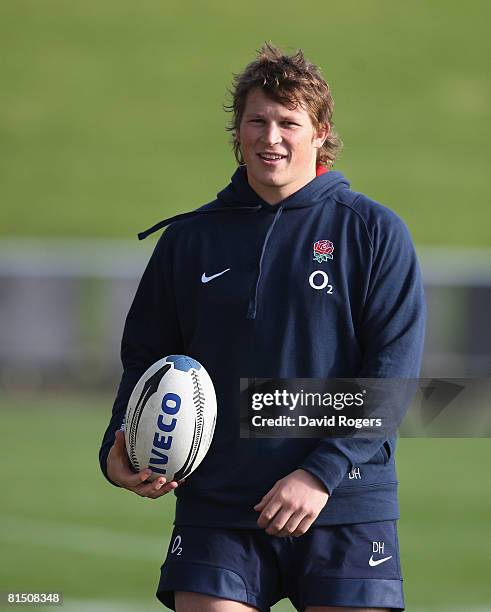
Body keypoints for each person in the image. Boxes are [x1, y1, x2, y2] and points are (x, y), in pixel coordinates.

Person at [99, 43, 426, 612]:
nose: (270, 137)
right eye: (257, 121)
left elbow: (392, 376)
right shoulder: (190, 238)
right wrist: (117, 446)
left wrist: (318, 475)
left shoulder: (373, 231)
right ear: (238, 131)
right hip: (218, 504)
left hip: (343, 503)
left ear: (320, 132)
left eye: (288, 122)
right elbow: (147, 359)